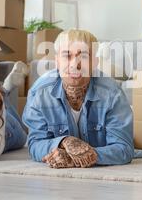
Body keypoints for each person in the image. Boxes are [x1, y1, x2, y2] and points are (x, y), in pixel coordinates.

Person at [23, 29, 134, 168]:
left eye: (84, 57)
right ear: (57, 61)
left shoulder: (113, 94)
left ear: (95, 62)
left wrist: (82, 157)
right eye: (67, 56)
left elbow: (124, 149)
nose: (75, 64)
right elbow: (35, 145)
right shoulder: (39, 94)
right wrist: (64, 141)